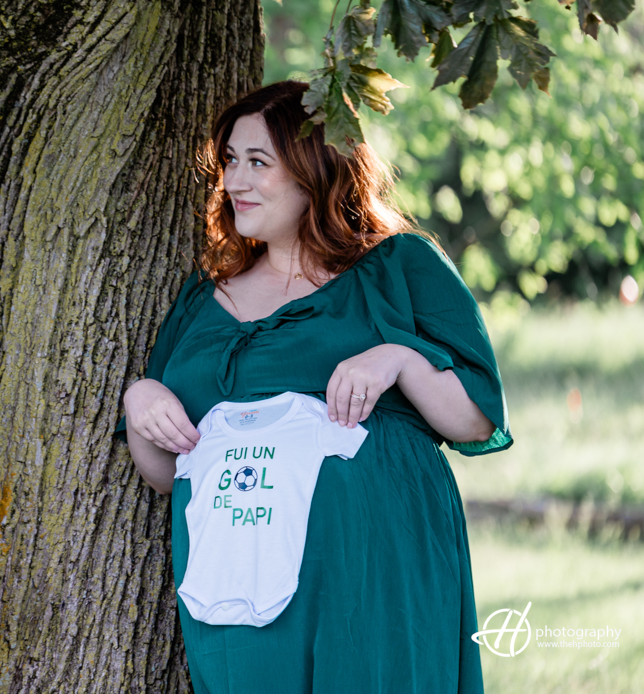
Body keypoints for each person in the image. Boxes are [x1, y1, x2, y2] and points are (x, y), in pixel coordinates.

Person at [120, 80, 512, 693]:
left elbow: (476, 421)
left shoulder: (399, 267)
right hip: (238, 579)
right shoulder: (201, 300)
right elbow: (168, 472)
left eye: (257, 163)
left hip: (370, 573)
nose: (234, 181)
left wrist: (399, 359)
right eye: (229, 161)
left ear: (315, 172)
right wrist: (140, 400)